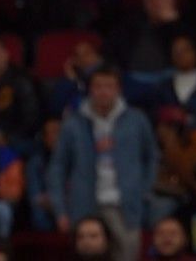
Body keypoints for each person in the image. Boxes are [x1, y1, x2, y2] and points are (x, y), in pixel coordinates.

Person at [51, 68, 157, 261]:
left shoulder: (136, 119)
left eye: (109, 86)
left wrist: (144, 191)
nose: (103, 91)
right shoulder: (73, 123)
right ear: (90, 89)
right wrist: (60, 209)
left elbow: (152, 157)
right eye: (98, 86)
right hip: (84, 203)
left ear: (118, 89)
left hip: (125, 205)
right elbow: (58, 167)